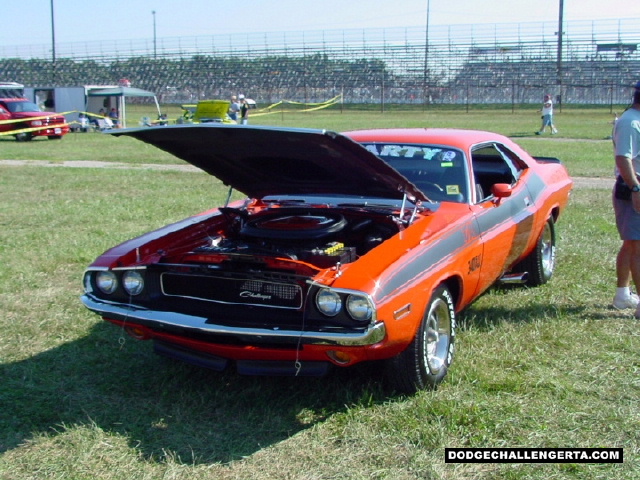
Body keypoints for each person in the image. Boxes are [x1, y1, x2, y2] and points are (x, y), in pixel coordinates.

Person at [612, 81, 640, 315]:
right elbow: (623, 159)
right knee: (637, 245)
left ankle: (623, 295)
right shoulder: (630, 122)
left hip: (634, 186)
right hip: (633, 187)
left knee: (632, 244)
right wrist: (636, 189)